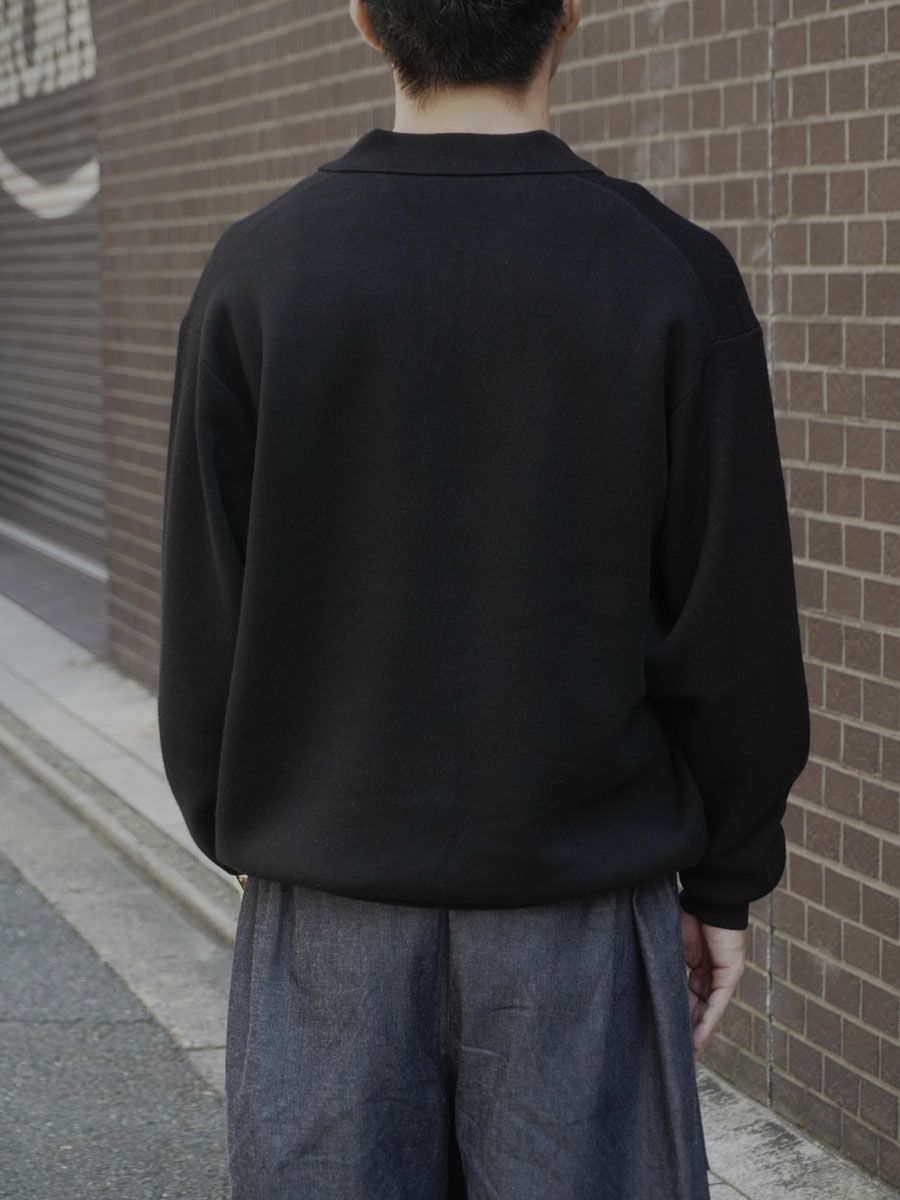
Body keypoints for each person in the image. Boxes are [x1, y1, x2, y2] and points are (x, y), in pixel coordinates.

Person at [156, 1, 810, 1196]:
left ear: (365, 18)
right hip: (578, 908)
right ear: (571, 12)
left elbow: (208, 614)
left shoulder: (260, 270)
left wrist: (251, 826)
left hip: (330, 904)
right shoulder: (668, 271)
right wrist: (726, 874)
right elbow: (735, 626)